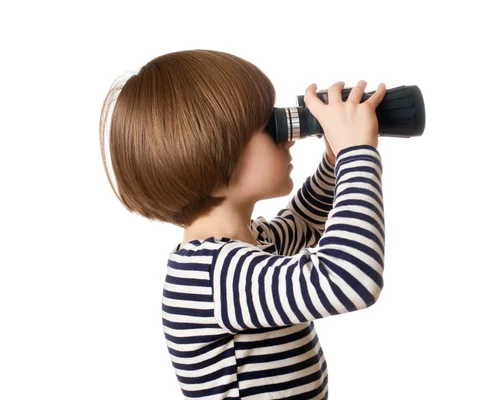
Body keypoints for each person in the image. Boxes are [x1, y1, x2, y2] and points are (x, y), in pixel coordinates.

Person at [99, 49, 386, 399]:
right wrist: (356, 153)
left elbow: (305, 220)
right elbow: (349, 278)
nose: (289, 137)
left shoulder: (248, 244)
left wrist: (333, 158)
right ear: (211, 153)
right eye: (269, 126)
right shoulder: (213, 276)